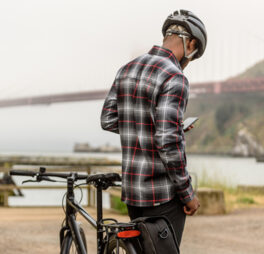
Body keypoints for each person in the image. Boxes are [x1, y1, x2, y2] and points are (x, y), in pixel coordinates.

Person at [100, 9, 207, 246]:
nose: (189, 61)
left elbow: (107, 119)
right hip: (163, 197)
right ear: (190, 43)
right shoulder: (174, 77)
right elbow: (168, 142)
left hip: (132, 194)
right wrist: (188, 195)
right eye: (194, 53)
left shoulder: (126, 69)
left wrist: (144, 127)